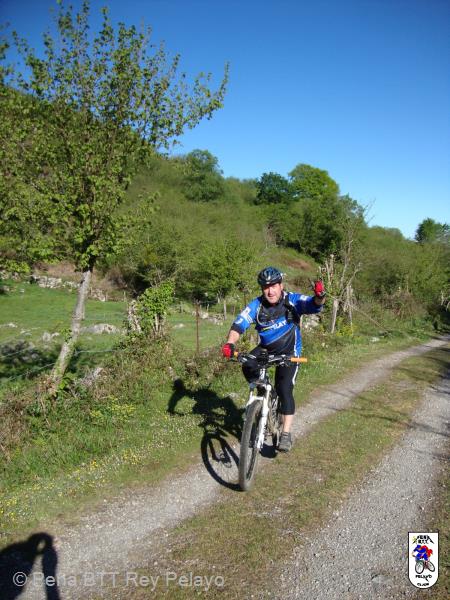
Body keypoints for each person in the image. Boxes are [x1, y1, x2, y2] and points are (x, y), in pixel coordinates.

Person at [221, 266, 326, 452]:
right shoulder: (257, 305)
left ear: (280, 285)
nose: (270, 291)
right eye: (265, 287)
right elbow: (239, 324)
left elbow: (313, 304)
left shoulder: (292, 300)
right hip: (267, 349)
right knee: (247, 364)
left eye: (273, 286)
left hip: (290, 352)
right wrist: (230, 343)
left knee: (284, 389)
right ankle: (263, 394)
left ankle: (285, 434)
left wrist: (320, 295)